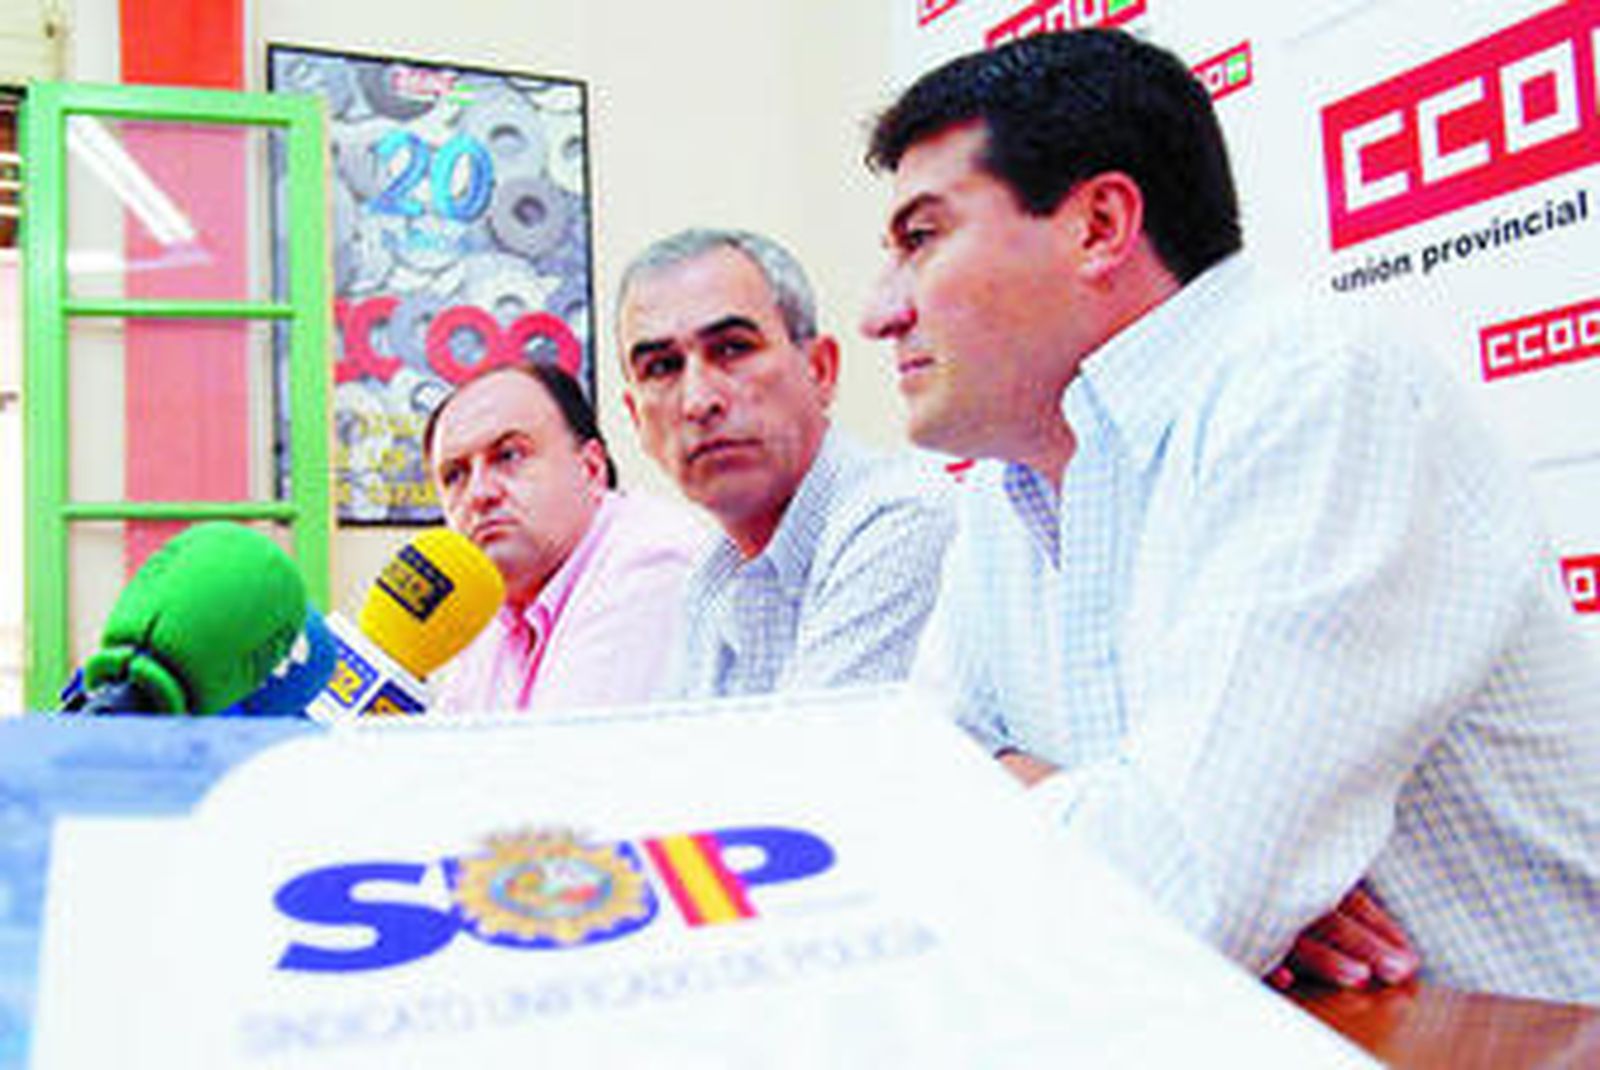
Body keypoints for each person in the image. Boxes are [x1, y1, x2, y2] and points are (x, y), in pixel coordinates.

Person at [860, 29, 1600, 1003]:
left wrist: (1177, 863)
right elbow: (901, 795)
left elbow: (1186, 892)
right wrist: (1158, 855)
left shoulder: (1317, 391)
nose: (878, 311)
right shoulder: (1010, 484)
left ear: (1099, 225)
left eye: (921, 239)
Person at [615, 228, 953, 698]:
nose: (698, 401)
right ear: (636, 419)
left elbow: (813, 747)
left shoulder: (903, 518)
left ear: (821, 370)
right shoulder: (711, 575)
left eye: (732, 349)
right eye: (662, 368)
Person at [423, 362, 706, 714]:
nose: (478, 494)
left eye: (509, 455)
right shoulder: (488, 606)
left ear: (591, 469)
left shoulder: (651, 561)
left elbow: (564, 749)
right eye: (455, 476)